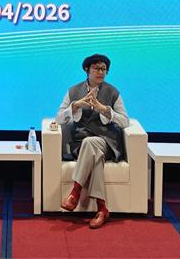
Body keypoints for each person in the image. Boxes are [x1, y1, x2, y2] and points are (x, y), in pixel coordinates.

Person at [55, 53, 130, 229]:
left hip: (106, 141)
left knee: (91, 143)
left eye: (104, 69)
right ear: (87, 70)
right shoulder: (73, 91)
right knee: (95, 157)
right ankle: (102, 209)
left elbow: (125, 121)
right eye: (97, 68)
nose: (101, 72)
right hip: (80, 143)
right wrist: (75, 105)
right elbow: (59, 118)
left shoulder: (113, 92)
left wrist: (104, 109)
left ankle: (74, 193)